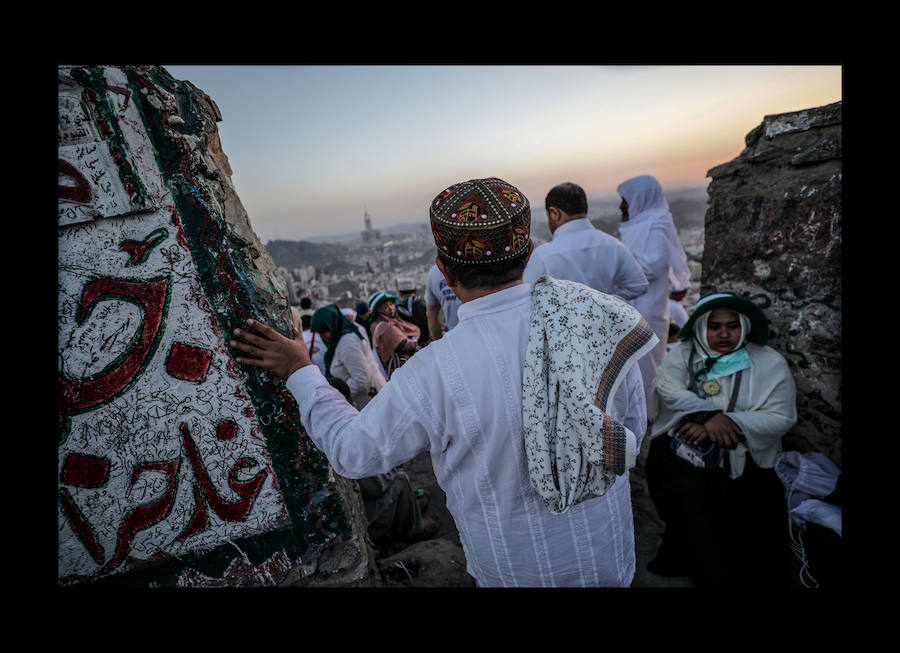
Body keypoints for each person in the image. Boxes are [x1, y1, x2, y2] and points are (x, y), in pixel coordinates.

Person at [231, 177, 655, 587]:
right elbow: (632, 429)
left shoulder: (436, 369)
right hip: (609, 556)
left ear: (445, 272)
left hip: (516, 570)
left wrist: (300, 371)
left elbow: (353, 451)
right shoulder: (598, 320)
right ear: (527, 252)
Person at [645, 291, 797, 587]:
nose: (724, 334)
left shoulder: (769, 363)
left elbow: (781, 417)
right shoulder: (684, 354)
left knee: (755, 530)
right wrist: (707, 415)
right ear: (702, 327)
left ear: (745, 327)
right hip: (690, 456)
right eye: (714, 326)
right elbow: (667, 387)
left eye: (733, 326)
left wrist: (730, 423)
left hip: (748, 458)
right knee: (692, 513)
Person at [326, 376, 440, 548]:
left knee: (395, 475)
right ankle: (413, 530)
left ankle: (410, 506)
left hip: (356, 504)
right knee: (400, 480)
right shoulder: (341, 437)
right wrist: (390, 469)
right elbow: (375, 488)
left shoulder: (325, 429)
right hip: (364, 518)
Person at [617, 175, 692, 410]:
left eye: (625, 200)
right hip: (631, 305)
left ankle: (649, 416)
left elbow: (653, 266)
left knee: (647, 367)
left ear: (640, 198)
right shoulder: (639, 224)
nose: (621, 206)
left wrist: (618, 267)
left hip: (649, 308)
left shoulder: (658, 223)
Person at [523, 181, 649, 301]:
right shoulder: (614, 245)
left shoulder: (543, 256)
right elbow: (639, 286)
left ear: (554, 213)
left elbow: (526, 299)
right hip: (605, 322)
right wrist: (606, 300)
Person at [308, 303, 385, 409]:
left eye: (324, 331)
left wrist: (338, 396)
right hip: (367, 400)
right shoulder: (338, 340)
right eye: (320, 333)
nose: (323, 336)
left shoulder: (347, 343)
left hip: (371, 400)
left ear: (333, 324)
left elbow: (361, 378)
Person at [368, 290, 420, 378]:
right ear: (377, 311)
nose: (390, 308)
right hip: (401, 371)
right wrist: (415, 341)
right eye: (385, 307)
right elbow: (403, 344)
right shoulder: (385, 327)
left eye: (391, 304)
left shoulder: (379, 323)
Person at [424, 263, 461, 340]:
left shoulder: (434, 273)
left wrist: (438, 342)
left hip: (455, 338)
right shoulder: (480, 264)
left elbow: (431, 315)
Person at [394, 277, 431, 346]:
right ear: (415, 290)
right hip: (427, 344)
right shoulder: (423, 305)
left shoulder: (395, 310)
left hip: (409, 347)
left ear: (400, 293)